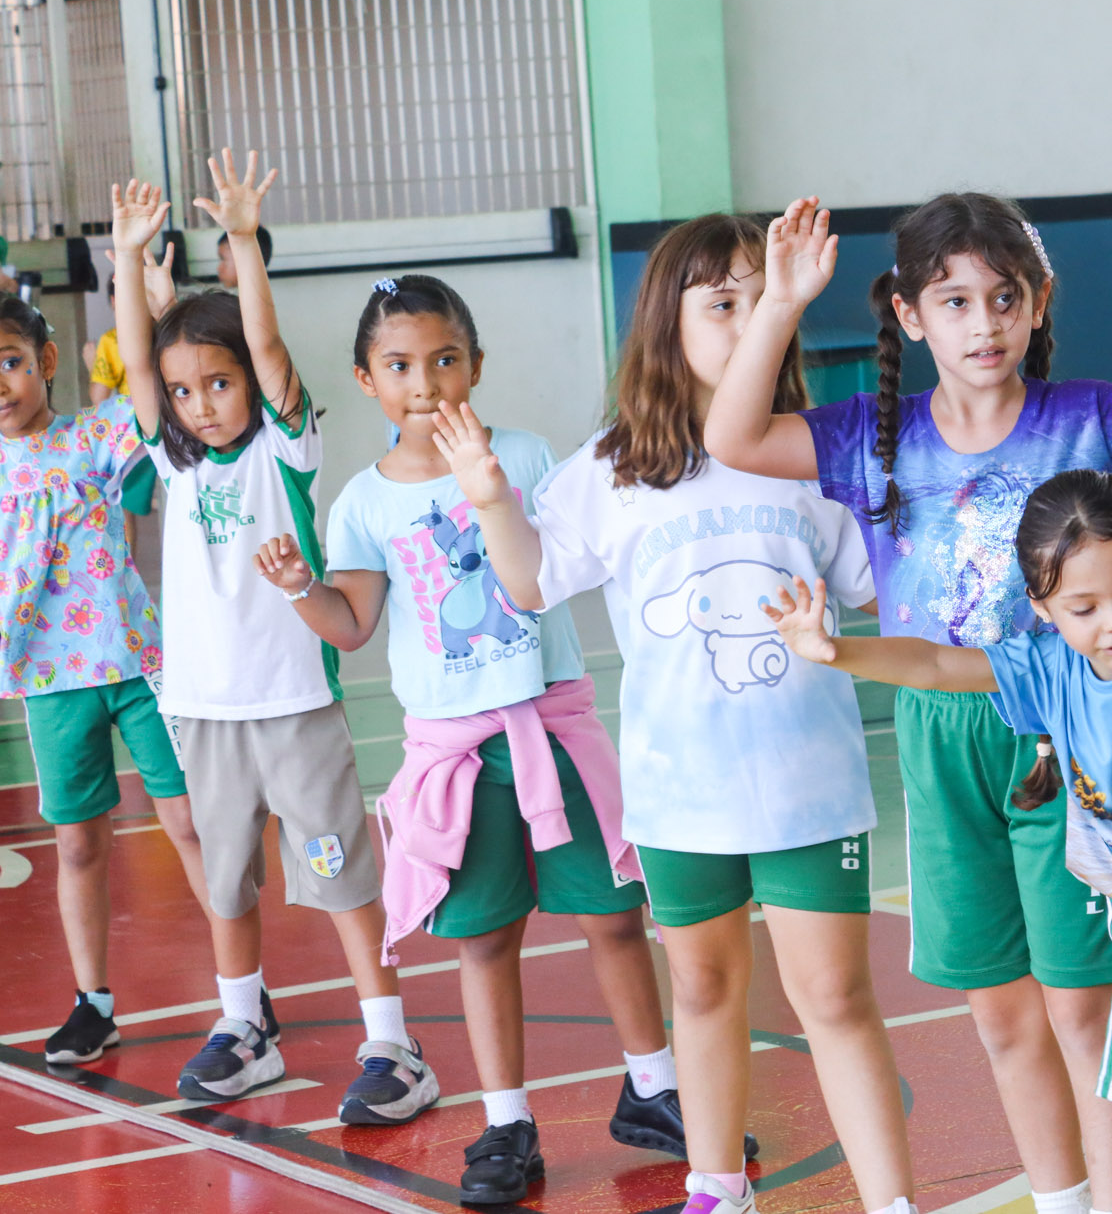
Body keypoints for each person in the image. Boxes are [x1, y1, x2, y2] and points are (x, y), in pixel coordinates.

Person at [704, 191, 1112, 1214]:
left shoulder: (1084, 417)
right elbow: (734, 435)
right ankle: (1062, 1200)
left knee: (1083, 1008)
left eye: (1005, 298)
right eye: (954, 301)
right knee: (1002, 1015)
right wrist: (779, 304)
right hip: (940, 728)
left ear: (1038, 303)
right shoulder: (874, 437)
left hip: (1066, 729)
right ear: (910, 315)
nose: (984, 324)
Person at [433, 212, 919, 1214]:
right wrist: (489, 499)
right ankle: (715, 1187)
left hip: (808, 787)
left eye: (760, 299)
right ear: (667, 320)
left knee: (834, 996)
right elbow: (528, 583)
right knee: (701, 989)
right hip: (679, 793)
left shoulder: (816, 453)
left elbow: (878, 587)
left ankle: (893, 1204)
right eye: (722, 302)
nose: (745, 319)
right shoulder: (613, 466)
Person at [764, 469, 1112, 1213]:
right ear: (1041, 608)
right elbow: (934, 663)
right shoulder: (1046, 671)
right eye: (1084, 607)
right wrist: (835, 650)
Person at [252, 272, 682, 1204]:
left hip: (555, 727)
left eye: (445, 359)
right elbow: (352, 624)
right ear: (366, 379)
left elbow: (566, 561)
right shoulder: (361, 503)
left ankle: (655, 1087)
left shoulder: (524, 456)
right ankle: (507, 1121)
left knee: (615, 915)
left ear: (476, 365)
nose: (426, 382)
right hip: (458, 754)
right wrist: (298, 589)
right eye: (400, 365)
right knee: (485, 938)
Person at [111, 163, 436, 1119]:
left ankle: (393, 1042)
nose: (201, 402)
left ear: (252, 385)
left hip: (292, 704)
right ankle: (245, 1025)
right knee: (226, 884)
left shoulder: (283, 450)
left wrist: (246, 244)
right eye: (186, 391)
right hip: (204, 712)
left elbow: (265, 341)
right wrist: (126, 260)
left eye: (219, 383)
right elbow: (141, 367)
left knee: (340, 878)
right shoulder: (175, 460)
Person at [0, 286, 213, 1067]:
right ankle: (93, 1004)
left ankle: (243, 993)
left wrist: (156, 304)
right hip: (51, 680)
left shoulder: (91, 438)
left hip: (137, 665)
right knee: (79, 844)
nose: (1, 384)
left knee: (189, 821)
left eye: (10, 361)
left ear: (46, 360)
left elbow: (152, 390)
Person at [86, 236, 177, 551]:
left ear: (115, 301)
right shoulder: (170, 333)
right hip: (176, 422)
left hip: (135, 431)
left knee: (123, 508)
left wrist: (92, 365)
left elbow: (99, 398)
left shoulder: (111, 342)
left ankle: (129, 569)